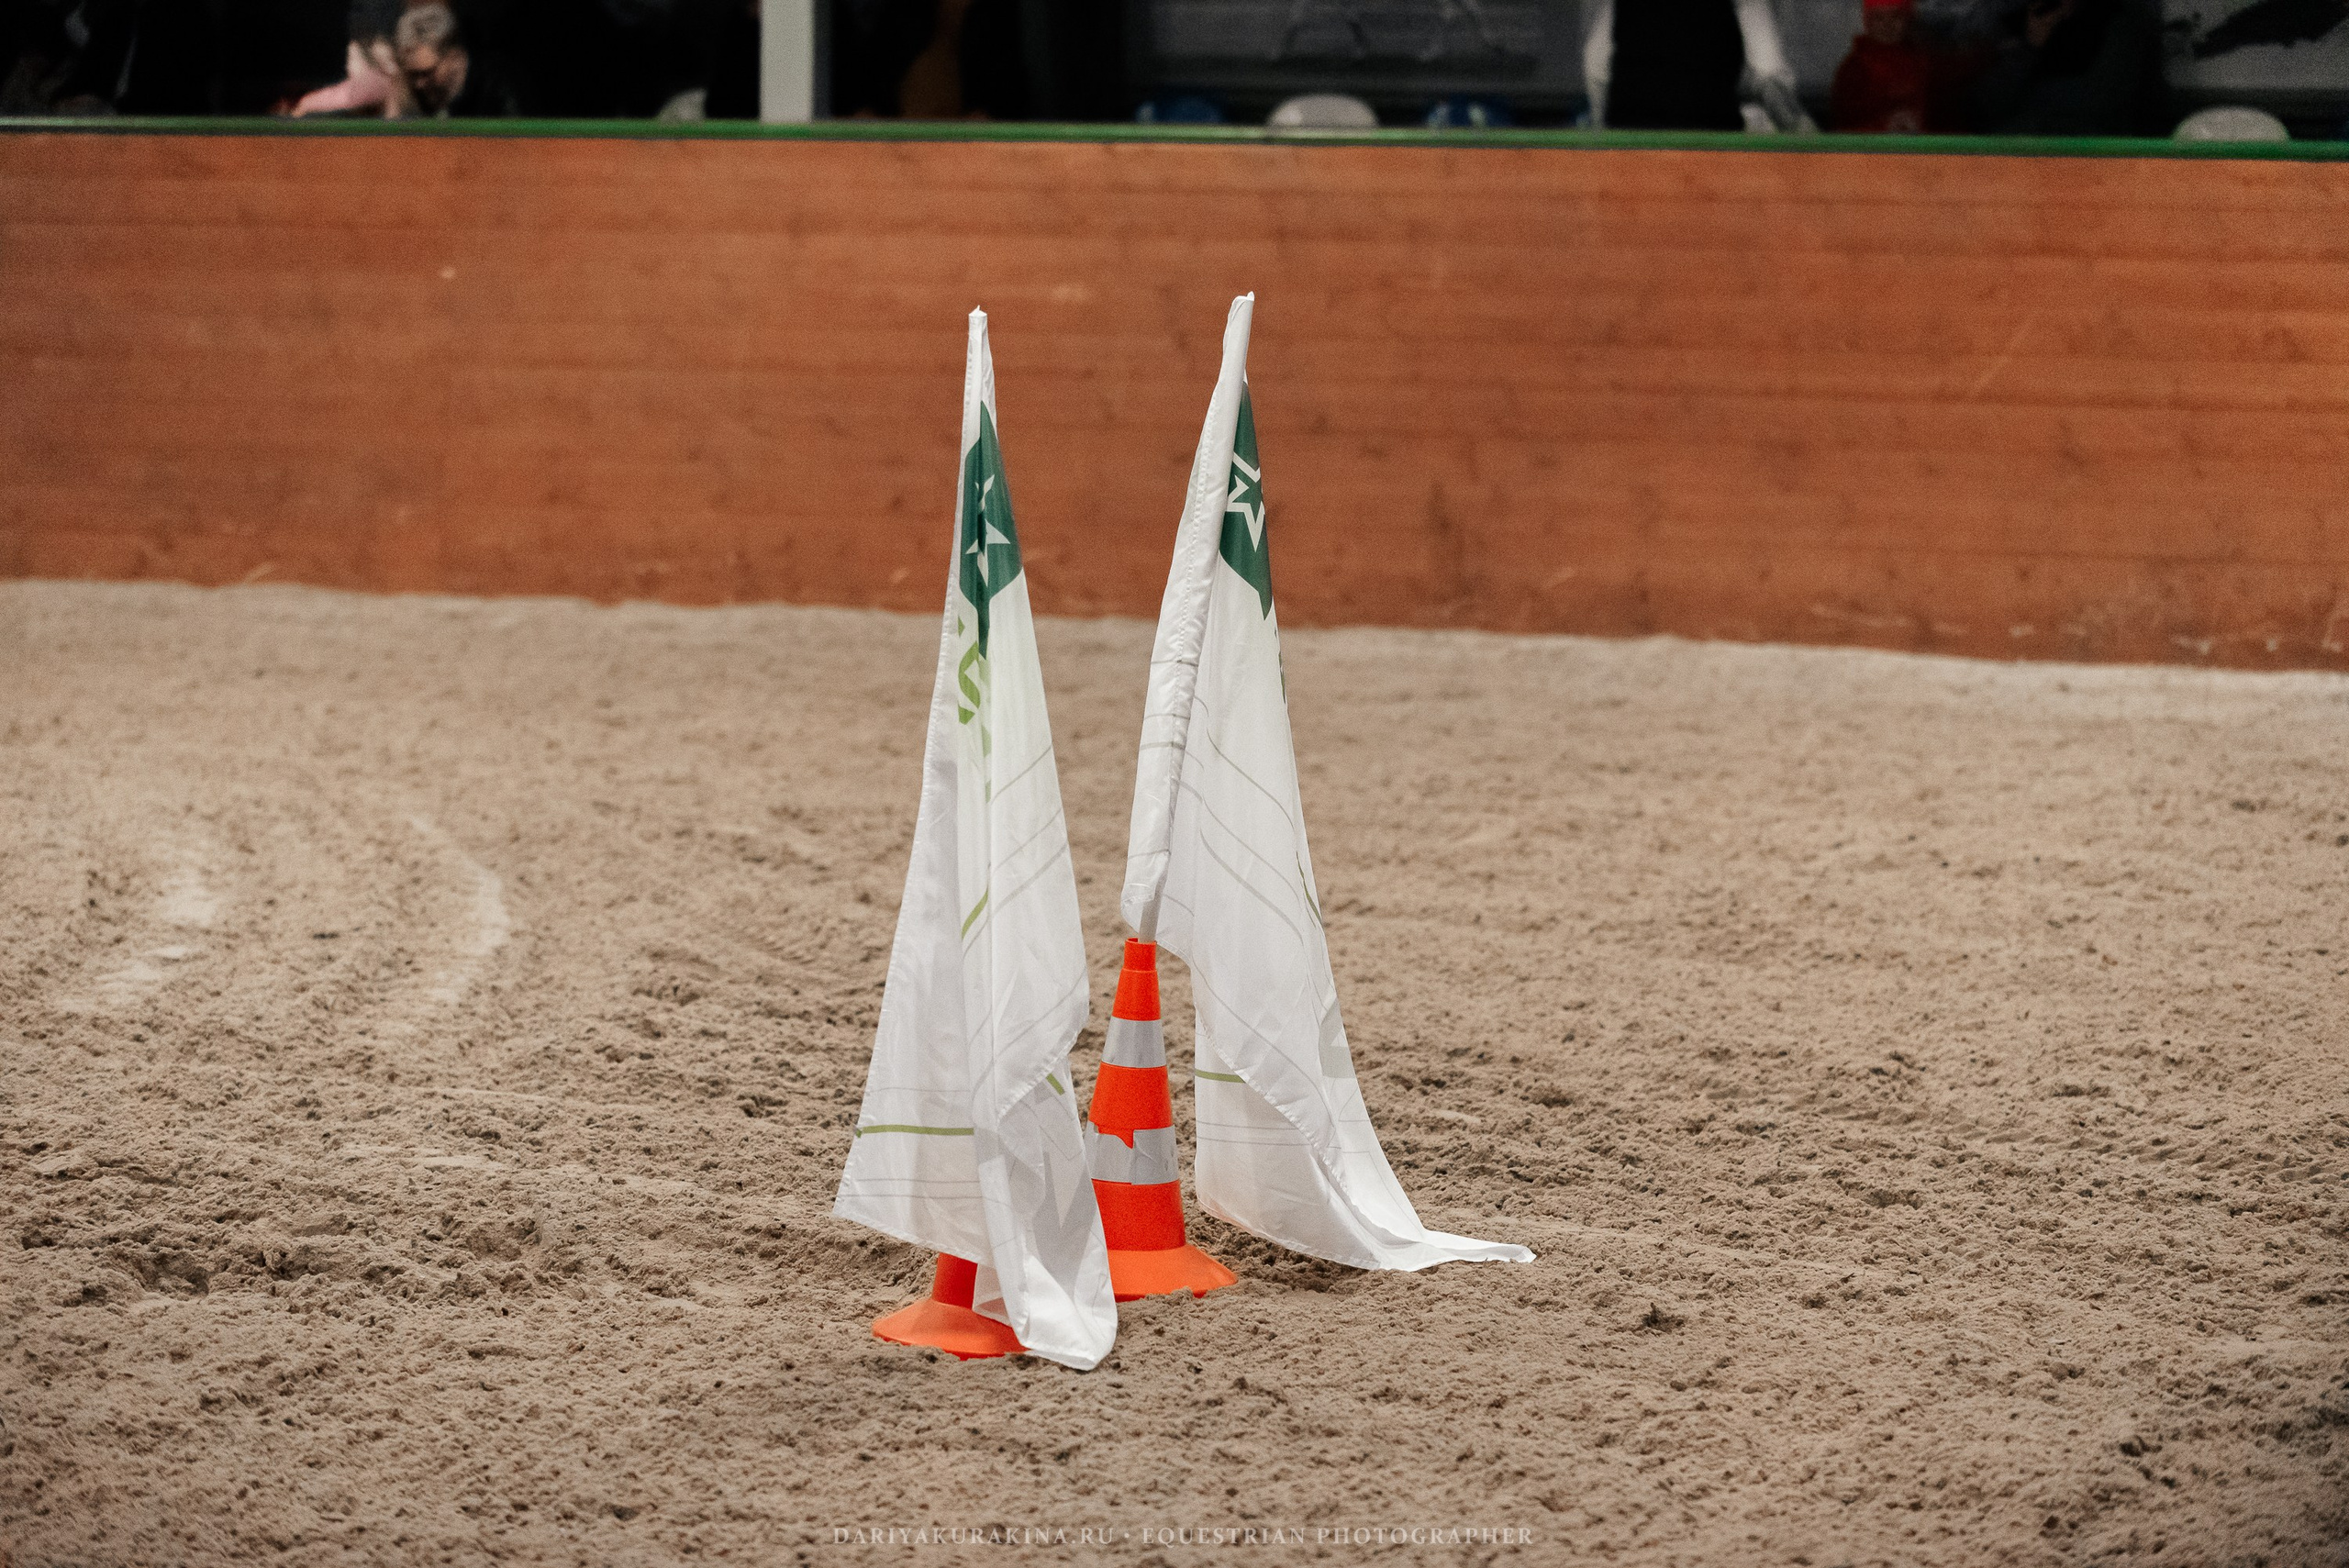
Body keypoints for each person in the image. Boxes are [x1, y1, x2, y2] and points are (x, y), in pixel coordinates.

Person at [1582, 0, 1812, 132]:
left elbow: (1595, 66)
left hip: (1633, 143)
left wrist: (1605, 135)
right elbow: (1769, 72)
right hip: (1714, 142)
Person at [1967, 0, 2165, 136]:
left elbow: (2101, 103)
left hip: (2088, 152)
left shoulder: (2121, 25)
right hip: (2013, 150)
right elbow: (1984, 107)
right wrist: (2028, 48)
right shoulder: (2017, 22)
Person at [392, 2, 512, 117]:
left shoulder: (495, 95)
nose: (419, 84)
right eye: (413, 74)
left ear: (455, 58)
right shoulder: (410, 97)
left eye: (427, 73)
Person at [1832, 0, 1933, 132]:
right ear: (1868, 22)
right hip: (1873, 143)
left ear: (1908, 20)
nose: (1887, 25)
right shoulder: (1854, 69)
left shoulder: (1924, 62)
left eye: (1896, 17)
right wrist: (1884, 127)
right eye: (1879, 18)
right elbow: (1845, 123)